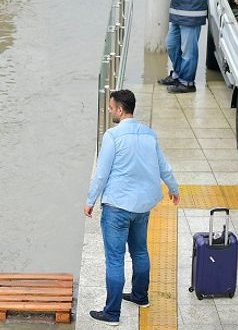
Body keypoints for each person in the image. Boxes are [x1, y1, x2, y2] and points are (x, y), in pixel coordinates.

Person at [84, 89, 180, 326]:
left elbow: (101, 174)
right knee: (139, 251)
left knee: (115, 259)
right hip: (142, 207)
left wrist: (90, 201)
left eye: (110, 107)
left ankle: (112, 313)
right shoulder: (149, 134)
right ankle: (140, 296)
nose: (109, 110)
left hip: (117, 206)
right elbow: (164, 166)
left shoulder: (112, 136)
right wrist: (173, 188)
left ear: (119, 109)